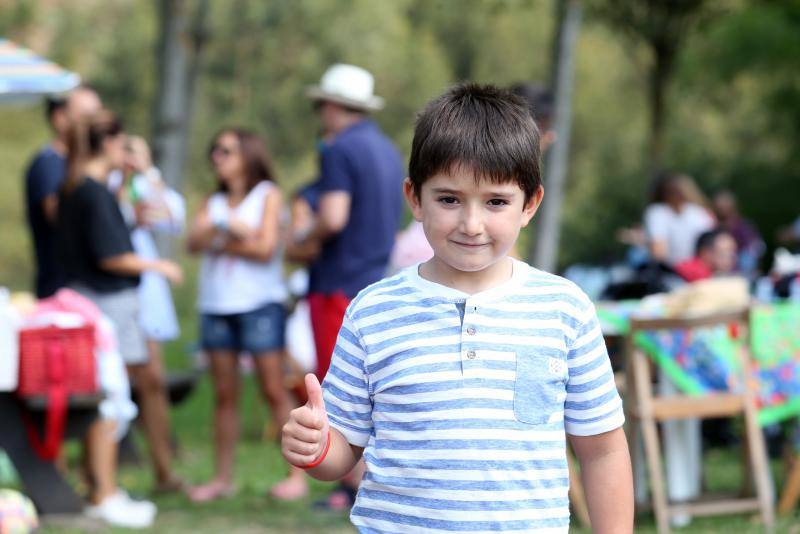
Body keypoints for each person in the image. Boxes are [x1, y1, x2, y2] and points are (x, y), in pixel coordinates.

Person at [282, 84, 633, 532]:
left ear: (530, 204)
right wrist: (314, 447)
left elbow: (602, 450)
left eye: (496, 202)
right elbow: (342, 452)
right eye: (448, 199)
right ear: (415, 198)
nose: (471, 224)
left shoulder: (565, 310)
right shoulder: (372, 312)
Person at [56, 110, 183, 528]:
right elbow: (111, 255)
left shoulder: (79, 187)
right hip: (107, 310)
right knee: (110, 400)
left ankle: (99, 485)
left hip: (89, 305)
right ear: (107, 143)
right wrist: (159, 267)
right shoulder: (92, 191)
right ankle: (104, 492)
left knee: (105, 399)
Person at [294, 63, 404, 510]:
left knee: (338, 389)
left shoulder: (338, 150)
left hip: (337, 282)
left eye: (321, 104)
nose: (320, 113)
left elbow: (334, 216)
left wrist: (302, 242)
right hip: (374, 277)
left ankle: (351, 487)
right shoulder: (387, 149)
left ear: (334, 106)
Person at [186, 128, 307, 502]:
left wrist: (221, 236)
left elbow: (266, 248)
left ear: (247, 155)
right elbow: (193, 242)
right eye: (215, 151)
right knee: (224, 394)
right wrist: (236, 234)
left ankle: (297, 476)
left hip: (259, 304)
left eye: (226, 151)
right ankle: (222, 478)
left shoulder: (267, 195)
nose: (217, 158)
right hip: (216, 305)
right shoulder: (213, 199)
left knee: (273, 389)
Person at [114, 135, 185, 493]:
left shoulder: (148, 185)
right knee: (113, 382)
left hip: (146, 293)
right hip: (114, 290)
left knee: (152, 379)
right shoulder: (109, 184)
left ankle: (163, 468)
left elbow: (171, 217)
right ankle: (102, 472)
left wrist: (148, 174)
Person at [24, 86, 101, 298]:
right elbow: (59, 218)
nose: (96, 125)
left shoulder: (75, 165)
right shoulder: (50, 164)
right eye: (88, 116)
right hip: (61, 290)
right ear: (60, 118)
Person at [644, 172, 715, 267]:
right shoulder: (657, 213)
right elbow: (659, 251)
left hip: (688, 270)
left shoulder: (699, 213)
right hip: (682, 270)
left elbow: (659, 252)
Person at [711, 190, 764, 275]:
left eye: (724, 206)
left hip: (742, 270)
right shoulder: (713, 227)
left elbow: (755, 249)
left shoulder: (743, 226)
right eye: (720, 207)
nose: (722, 209)